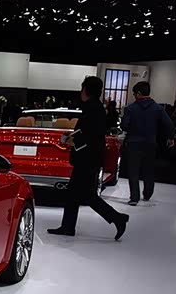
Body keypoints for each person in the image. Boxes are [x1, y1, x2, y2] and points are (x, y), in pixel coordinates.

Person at [48, 76, 129, 241]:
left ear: (85, 90)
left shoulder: (93, 109)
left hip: (87, 159)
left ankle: (117, 218)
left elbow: (89, 135)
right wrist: (72, 137)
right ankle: (68, 227)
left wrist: (70, 139)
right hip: (88, 158)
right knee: (75, 194)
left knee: (86, 195)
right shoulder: (96, 108)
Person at [120, 81, 174, 205]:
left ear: (138, 93)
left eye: (134, 94)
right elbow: (169, 124)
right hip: (150, 143)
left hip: (133, 143)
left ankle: (134, 198)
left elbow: (124, 126)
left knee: (133, 171)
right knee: (149, 170)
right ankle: (147, 194)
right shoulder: (158, 109)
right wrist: (170, 138)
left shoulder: (130, 108)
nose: (134, 96)